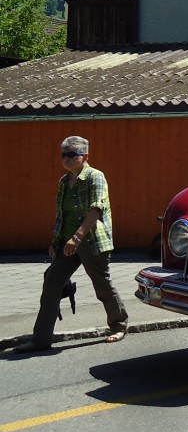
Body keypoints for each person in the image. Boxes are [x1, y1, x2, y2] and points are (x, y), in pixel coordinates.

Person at [14, 136, 129, 352]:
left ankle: (119, 325)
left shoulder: (96, 177)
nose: (66, 158)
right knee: (51, 282)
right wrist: (56, 241)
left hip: (92, 241)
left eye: (71, 154)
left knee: (102, 285)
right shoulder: (64, 181)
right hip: (67, 244)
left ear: (85, 156)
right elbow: (61, 215)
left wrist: (77, 238)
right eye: (63, 154)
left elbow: (96, 209)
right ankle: (41, 339)